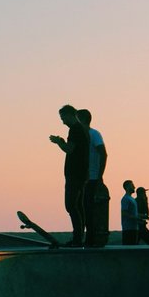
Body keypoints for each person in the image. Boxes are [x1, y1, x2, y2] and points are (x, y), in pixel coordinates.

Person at [49, 105, 89, 247]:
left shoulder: (75, 130)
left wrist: (59, 142)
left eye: (63, 118)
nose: (63, 122)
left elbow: (69, 149)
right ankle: (79, 237)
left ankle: (78, 238)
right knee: (78, 206)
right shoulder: (81, 129)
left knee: (71, 205)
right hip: (81, 174)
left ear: (69, 115)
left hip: (75, 174)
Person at [77, 108, 109, 247]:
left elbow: (103, 153)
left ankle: (90, 239)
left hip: (92, 178)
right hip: (81, 178)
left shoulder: (94, 134)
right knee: (79, 208)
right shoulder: (80, 136)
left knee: (88, 209)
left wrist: (100, 175)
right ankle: (80, 237)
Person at [120, 180, 142, 246]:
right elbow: (124, 213)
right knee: (128, 250)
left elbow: (133, 214)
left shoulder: (132, 199)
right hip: (128, 229)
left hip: (134, 228)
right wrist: (137, 218)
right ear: (127, 187)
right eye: (132, 186)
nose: (134, 187)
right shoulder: (125, 199)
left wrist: (142, 216)